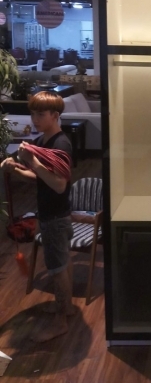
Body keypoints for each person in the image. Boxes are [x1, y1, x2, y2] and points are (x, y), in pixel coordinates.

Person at [1, 91, 74, 342]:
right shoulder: (44, 141)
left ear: (55, 115)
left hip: (56, 217)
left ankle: (60, 322)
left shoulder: (60, 144)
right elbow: (40, 179)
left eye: (40, 114)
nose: (34, 119)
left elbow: (59, 185)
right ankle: (66, 308)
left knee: (57, 269)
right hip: (52, 213)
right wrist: (16, 169)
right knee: (61, 263)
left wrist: (32, 160)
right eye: (33, 113)